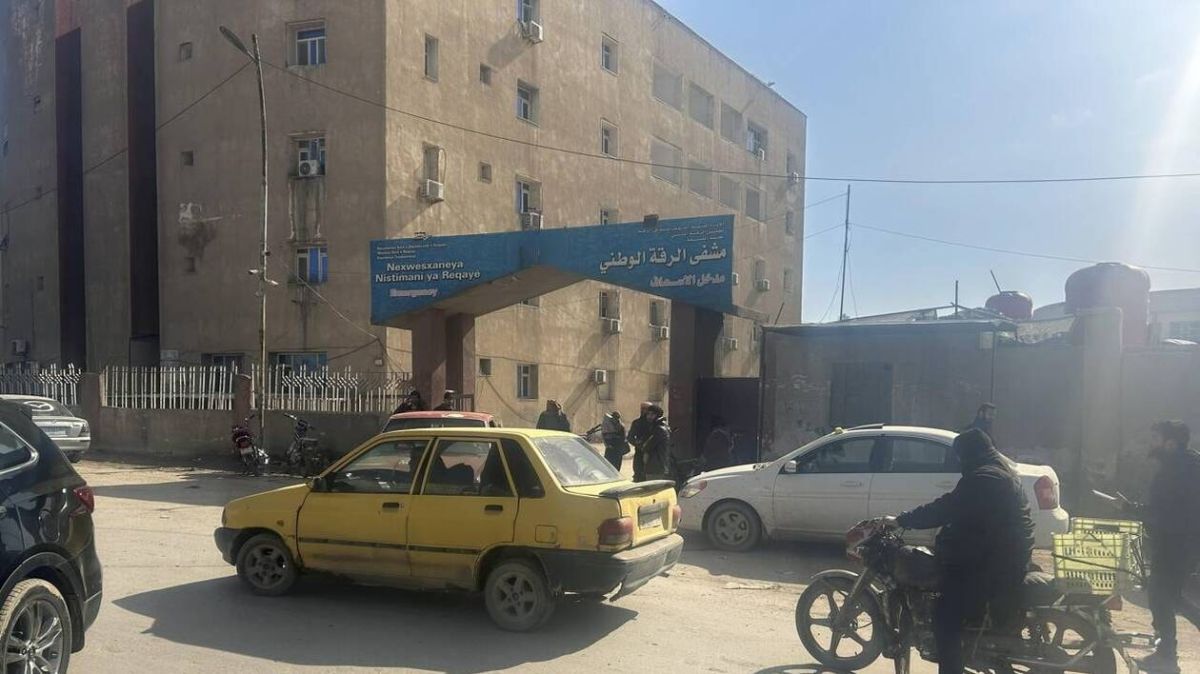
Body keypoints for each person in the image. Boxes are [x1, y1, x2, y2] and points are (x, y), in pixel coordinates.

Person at [886, 429, 1034, 674]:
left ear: (968, 453)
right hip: (1003, 555)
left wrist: (903, 520)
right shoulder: (999, 471)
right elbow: (967, 513)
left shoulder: (985, 478)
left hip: (996, 564)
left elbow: (947, 507)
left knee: (944, 616)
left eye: (959, 456)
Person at [1133, 420, 1200, 674]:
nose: (1152, 443)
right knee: (1170, 597)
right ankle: (1165, 654)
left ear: (1170, 443)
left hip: (1176, 544)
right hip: (1179, 543)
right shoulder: (1184, 465)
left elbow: (1168, 513)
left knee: (1162, 597)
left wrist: (1134, 510)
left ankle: (1167, 657)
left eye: (1155, 438)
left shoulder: (1178, 470)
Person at [638, 404, 672, 482]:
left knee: (652, 486)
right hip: (657, 465)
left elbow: (647, 446)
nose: (649, 416)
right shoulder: (659, 427)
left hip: (655, 466)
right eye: (648, 414)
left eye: (652, 414)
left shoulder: (659, 429)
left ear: (657, 415)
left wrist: (642, 444)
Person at [627, 402, 653, 481]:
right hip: (639, 452)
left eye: (646, 409)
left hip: (652, 452)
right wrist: (638, 444)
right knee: (638, 473)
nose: (644, 411)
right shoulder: (636, 423)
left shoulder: (654, 424)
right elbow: (630, 437)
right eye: (642, 408)